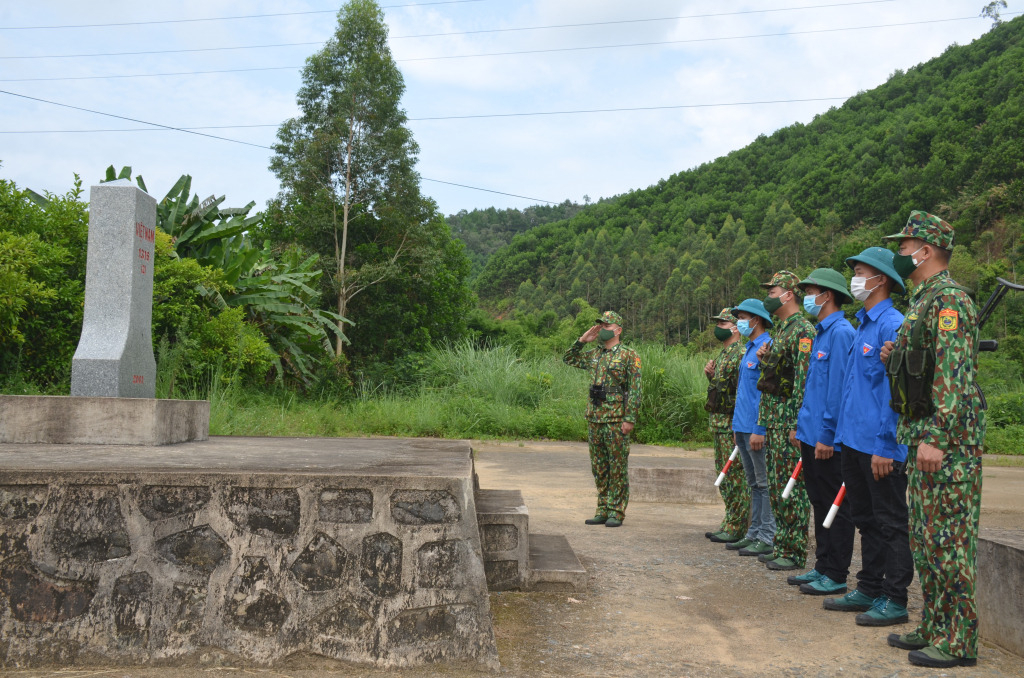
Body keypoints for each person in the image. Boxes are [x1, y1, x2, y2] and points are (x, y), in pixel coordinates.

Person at [880, 211, 986, 669]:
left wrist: (938, 437)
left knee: (949, 543)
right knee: (926, 541)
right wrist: (894, 356)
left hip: (946, 446)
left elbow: (955, 376)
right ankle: (936, 625)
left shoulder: (949, 302)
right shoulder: (921, 302)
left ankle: (960, 641)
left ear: (925, 251)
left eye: (904, 247)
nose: (898, 254)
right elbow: (923, 371)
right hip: (921, 435)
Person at [824, 247, 914, 627]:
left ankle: (895, 598)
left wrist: (886, 446)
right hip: (854, 441)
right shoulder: (862, 325)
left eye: (859, 271)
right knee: (864, 517)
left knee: (890, 521)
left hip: (879, 445)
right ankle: (869, 586)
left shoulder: (893, 323)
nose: (854, 279)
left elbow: (896, 395)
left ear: (881, 279)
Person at [790, 269, 857, 593]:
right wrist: (802, 427)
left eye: (810, 291)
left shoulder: (842, 332)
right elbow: (813, 388)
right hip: (811, 433)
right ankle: (822, 565)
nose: (807, 298)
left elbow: (838, 390)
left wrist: (826, 435)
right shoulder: (821, 332)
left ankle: (836, 573)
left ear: (827, 295)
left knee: (836, 506)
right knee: (819, 501)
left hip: (826, 438)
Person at [756, 271, 815, 571]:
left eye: (773, 290)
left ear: (788, 294)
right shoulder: (781, 331)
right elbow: (780, 377)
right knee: (779, 486)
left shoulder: (803, 331)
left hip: (789, 422)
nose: (768, 296)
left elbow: (804, 380)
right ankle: (783, 542)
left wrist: (798, 423)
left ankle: (794, 550)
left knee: (793, 488)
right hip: (774, 421)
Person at [564, 310, 643, 528]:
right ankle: (602, 508)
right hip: (595, 418)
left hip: (616, 419)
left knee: (617, 466)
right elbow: (568, 358)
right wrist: (582, 340)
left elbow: (635, 390)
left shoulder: (629, 355)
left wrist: (630, 418)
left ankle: (616, 511)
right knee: (599, 467)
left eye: (606, 326)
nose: (602, 330)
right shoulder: (594, 354)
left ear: (618, 330)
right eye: (601, 325)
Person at [725, 299, 776, 558]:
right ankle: (753, 532)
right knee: (753, 482)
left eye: (743, 317)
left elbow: (766, 394)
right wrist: (737, 426)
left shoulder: (767, 347)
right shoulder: (748, 349)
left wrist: (760, 427)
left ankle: (767, 535)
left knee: (765, 483)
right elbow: (743, 393)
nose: (739, 323)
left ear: (756, 320)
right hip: (743, 426)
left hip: (756, 428)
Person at [703, 307, 751, 543]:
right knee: (724, 476)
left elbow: (744, 392)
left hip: (732, 423)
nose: (717, 328)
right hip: (719, 422)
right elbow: (723, 388)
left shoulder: (741, 352)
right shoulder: (724, 354)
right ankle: (730, 520)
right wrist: (711, 376)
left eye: (722, 324)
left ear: (734, 328)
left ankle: (738, 525)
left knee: (734, 477)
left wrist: (738, 425)